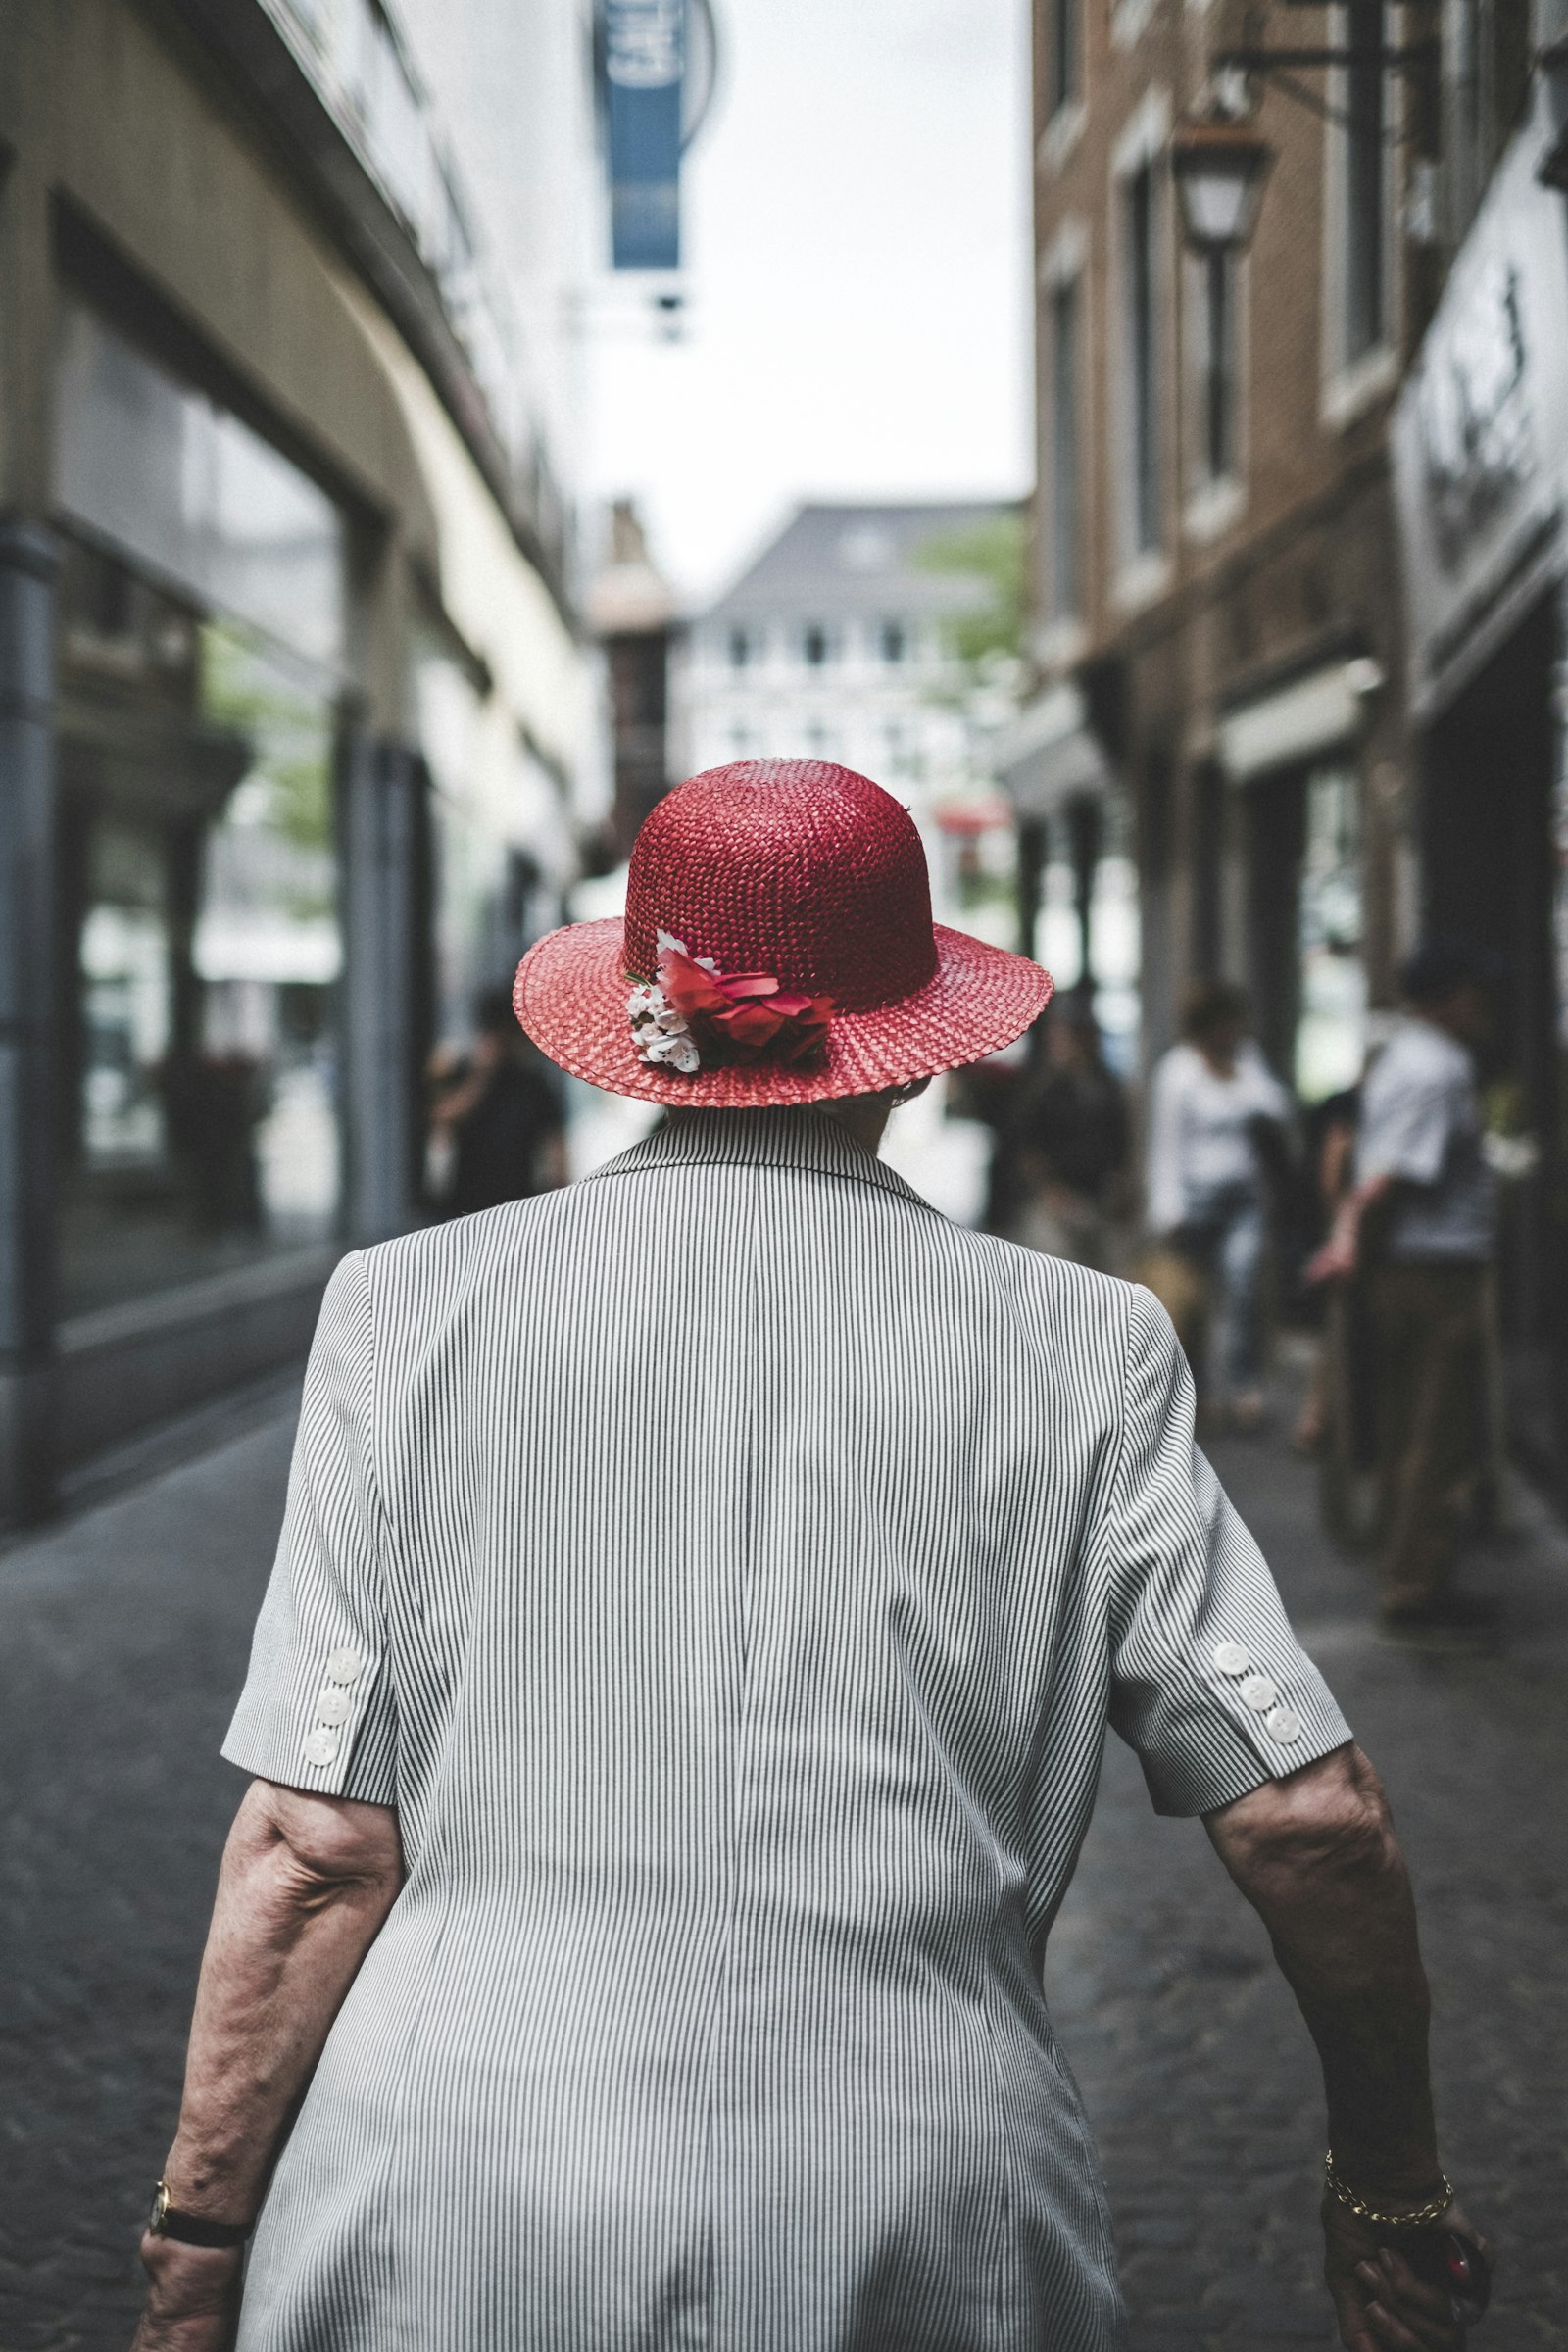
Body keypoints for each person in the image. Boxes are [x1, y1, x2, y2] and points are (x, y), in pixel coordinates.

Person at [132, 760, 1484, 2352]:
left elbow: (311, 1847)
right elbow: (1313, 1819)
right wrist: (1387, 2187)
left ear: (640, 1037)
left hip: (449, 2198)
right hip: (921, 2219)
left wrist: (198, 2244)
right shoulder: (1085, 1348)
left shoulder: (404, 1308)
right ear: (909, 1061)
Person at [1309, 943, 1498, 1640]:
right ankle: (1414, 1582)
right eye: (1476, 992)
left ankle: (1406, 1566)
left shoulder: (1401, 1056)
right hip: (1430, 1273)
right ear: (1448, 998)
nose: (1487, 1006)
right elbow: (1392, 1173)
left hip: (1406, 1270)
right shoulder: (1437, 1065)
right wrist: (1351, 1233)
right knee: (1434, 1433)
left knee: (1404, 1426)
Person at [1145, 980, 1293, 1432]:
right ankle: (1199, 1391)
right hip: (1196, 1201)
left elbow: (1276, 1109)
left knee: (1243, 1287)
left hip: (1243, 1199)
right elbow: (1165, 1143)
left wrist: (1239, 1079)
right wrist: (1167, 1207)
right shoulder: (1178, 1072)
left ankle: (1242, 1386)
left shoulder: (1246, 1063)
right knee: (1193, 1302)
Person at [1005, 995, 1129, 1271]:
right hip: (1056, 1201)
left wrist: (1120, 1182)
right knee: (1056, 1273)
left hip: (1098, 1197)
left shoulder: (1105, 1084)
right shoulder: (1043, 1088)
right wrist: (1048, 1189)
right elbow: (1026, 1146)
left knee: (1105, 1277)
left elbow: (1118, 1139)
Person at [429, 986, 566, 1215]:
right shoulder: (466, 1072)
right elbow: (444, 1117)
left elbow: (555, 1149)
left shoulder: (533, 1085)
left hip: (518, 1203)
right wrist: (481, 1075)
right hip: (466, 1204)